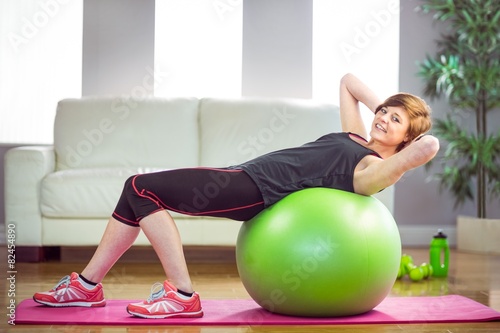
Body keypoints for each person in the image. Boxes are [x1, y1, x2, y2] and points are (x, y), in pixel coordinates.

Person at [33, 73, 439, 319]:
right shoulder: (355, 135)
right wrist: (391, 107)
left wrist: (407, 144)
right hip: (244, 174)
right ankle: (88, 286)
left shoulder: (370, 169)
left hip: (255, 188)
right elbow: (348, 81)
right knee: (132, 196)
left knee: (141, 187)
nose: (382, 118)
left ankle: (182, 296)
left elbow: (424, 150)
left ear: (407, 137)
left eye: (394, 119)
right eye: (383, 112)